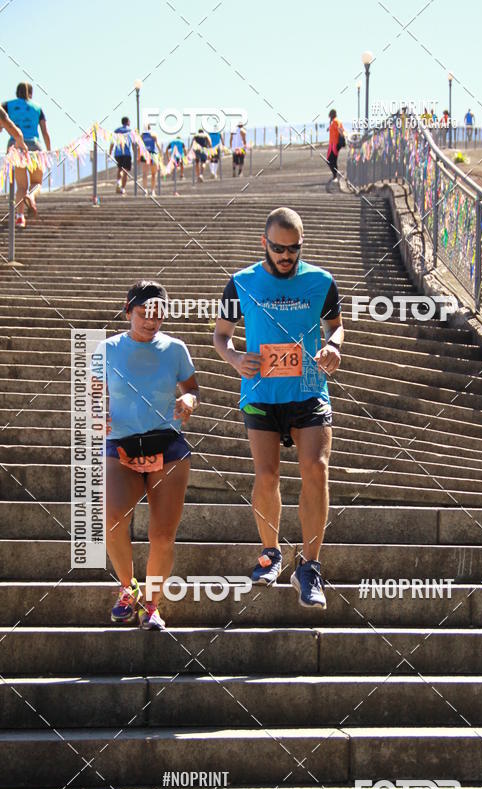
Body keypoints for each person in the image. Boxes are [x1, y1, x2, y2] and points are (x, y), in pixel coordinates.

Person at [213, 207, 344, 610]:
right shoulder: (240, 283)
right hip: (261, 394)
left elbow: (335, 325)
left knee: (316, 468)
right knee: (266, 475)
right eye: (278, 248)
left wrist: (334, 345)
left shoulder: (321, 281)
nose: (286, 256)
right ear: (264, 244)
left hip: (308, 388)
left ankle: (310, 566)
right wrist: (235, 360)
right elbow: (221, 337)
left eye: (293, 249)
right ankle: (270, 553)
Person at [95, 280, 200, 630]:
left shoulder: (175, 349)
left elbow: (191, 387)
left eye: (157, 315)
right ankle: (128, 588)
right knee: (112, 522)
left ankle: (151, 604)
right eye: (143, 314)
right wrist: (97, 413)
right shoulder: (106, 349)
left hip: (167, 445)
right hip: (121, 444)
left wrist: (188, 401)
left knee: (162, 535)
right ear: (128, 311)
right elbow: (90, 396)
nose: (150, 322)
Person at [3, 82, 51, 228]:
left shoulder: (7, 105)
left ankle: (20, 217)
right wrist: (48, 151)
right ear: (31, 93)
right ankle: (31, 197)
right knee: (37, 183)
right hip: (35, 146)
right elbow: (45, 131)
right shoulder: (37, 108)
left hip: (15, 145)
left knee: (21, 186)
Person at [109, 117, 133, 194]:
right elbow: (133, 143)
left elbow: (112, 142)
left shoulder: (116, 131)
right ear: (128, 122)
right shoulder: (130, 131)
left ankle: (118, 181)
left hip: (118, 153)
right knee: (125, 171)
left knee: (120, 168)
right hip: (127, 153)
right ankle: (122, 188)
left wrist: (110, 152)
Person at [140, 124, 161, 196]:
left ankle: (145, 190)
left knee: (145, 173)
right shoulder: (153, 135)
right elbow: (157, 144)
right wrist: (161, 153)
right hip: (152, 154)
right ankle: (152, 191)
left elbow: (139, 146)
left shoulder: (142, 136)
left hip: (145, 154)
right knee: (153, 174)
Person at [327, 108, 345, 183]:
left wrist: (343, 137)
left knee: (332, 160)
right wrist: (329, 128)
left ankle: (335, 176)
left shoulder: (335, 121)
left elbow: (340, 129)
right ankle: (335, 175)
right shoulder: (333, 122)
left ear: (332, 115)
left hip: (335, 144)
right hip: (332, 144)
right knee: (330, 160)